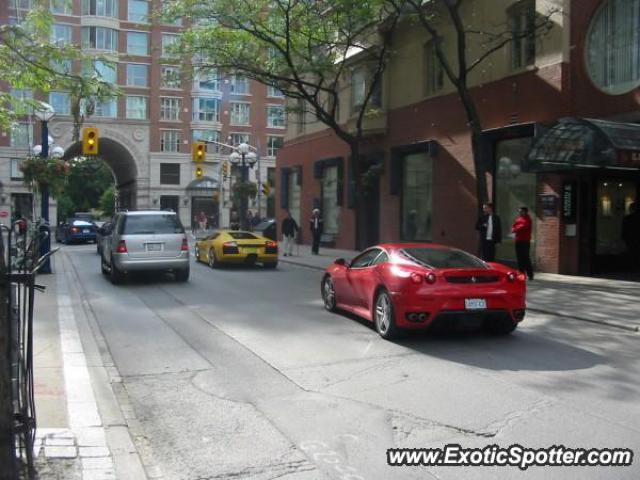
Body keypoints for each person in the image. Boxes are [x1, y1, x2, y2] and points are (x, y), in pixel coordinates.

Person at [511, 206, 534, 280]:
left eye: (521, 211)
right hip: (518, 240)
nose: (520, 212)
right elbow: (513, 227)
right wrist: (516, 228)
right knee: (519, 259)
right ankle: (521, 275)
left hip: (525, 241)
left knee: (526, 258)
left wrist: (516, 228)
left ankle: (530, 275)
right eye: (519, 211)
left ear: (525, 212)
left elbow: (523, 227)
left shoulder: (528, 219)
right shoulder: (518, 219)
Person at [622, 202, 640, 268]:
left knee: (631, 252)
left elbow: (624, 230)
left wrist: (624, 238)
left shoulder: (627, 218)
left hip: (630, 238)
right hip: (635, 238)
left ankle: (632, 266)